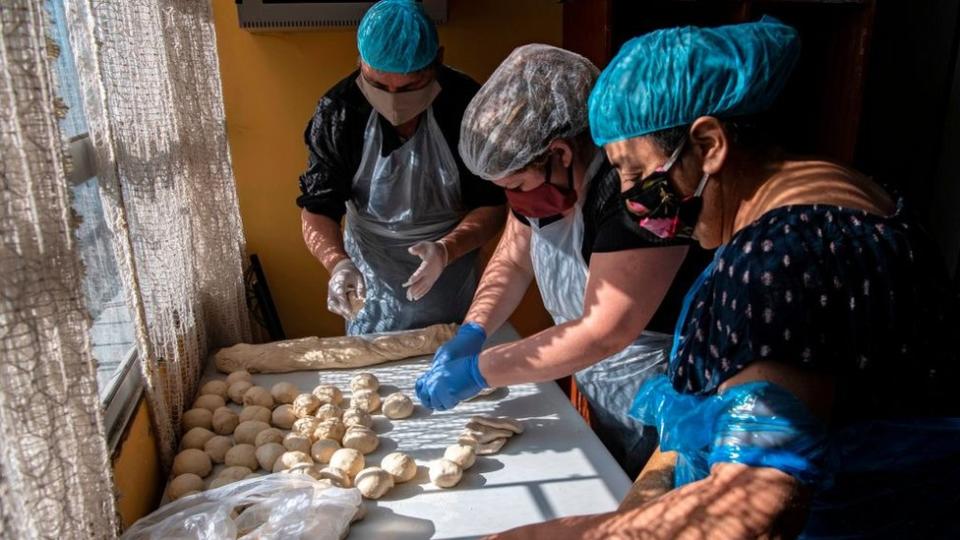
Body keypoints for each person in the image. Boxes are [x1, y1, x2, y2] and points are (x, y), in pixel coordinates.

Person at [489, 17, 960, 539]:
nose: (629, 197)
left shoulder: (777, 258)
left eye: (638, 173)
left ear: (710, 143)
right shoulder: (844, 197)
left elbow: (752, 510)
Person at [414, 44, 710, 476]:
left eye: (515, 183)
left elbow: (603, 330)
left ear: (561, 153)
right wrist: (473, 329)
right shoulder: (547, 186)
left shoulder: (635, 194)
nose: (513, 200)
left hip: (660, 394)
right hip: (598, 382)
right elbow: (513, 262)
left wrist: (479, 372)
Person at [297, 0, 506, 335]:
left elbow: (492, 203)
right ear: (360, 63)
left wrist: (445, 250)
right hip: (370, 268)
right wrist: (337, 264)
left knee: (454, 349)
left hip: (451, 269)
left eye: (409, 88)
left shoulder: (466, 106)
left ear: (437, 61)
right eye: (379, 86)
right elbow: (317, 207)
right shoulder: (340, 113)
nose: (393, 100)